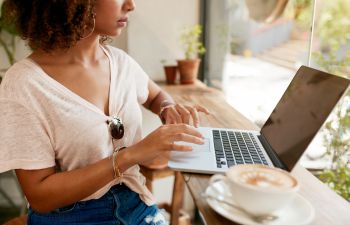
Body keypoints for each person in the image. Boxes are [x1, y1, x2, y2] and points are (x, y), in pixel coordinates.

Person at [0, 0, 210, 224]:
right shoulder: (25, 84)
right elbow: (40, 196)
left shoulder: (121, 63)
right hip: (70, 218)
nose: (131, 5)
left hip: (138, 206)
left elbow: (156, 96)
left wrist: (168, 109)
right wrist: (132, 155)